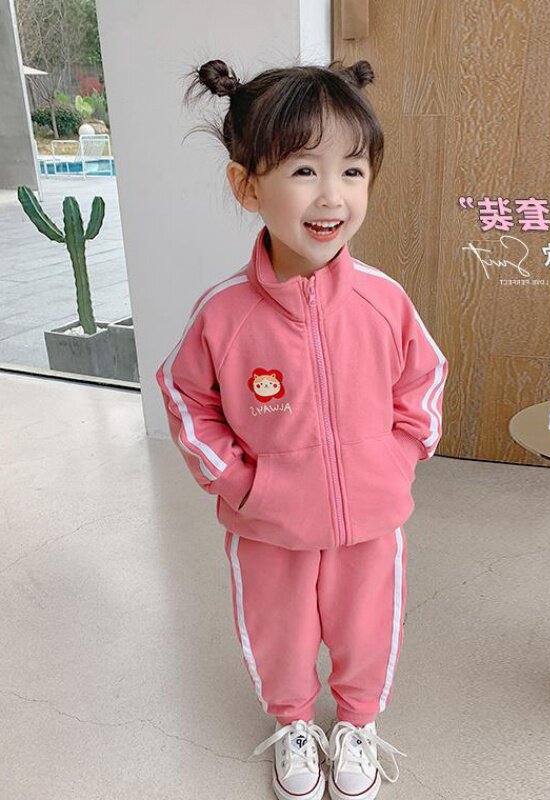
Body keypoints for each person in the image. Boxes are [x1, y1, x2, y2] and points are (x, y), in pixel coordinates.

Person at [155, 57, 448, 800]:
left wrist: (398, 458)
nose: (331, 196)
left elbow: (423, 379)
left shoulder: (384, 301)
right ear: (247, 185)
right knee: (278, 629)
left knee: (367, 625)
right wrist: (241, 483)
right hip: (269, 524)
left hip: (371, 518)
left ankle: (357, 723)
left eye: (352, 171)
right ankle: (292, 723)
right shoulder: (224, 314)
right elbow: (186, 396)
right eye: (304, 170)